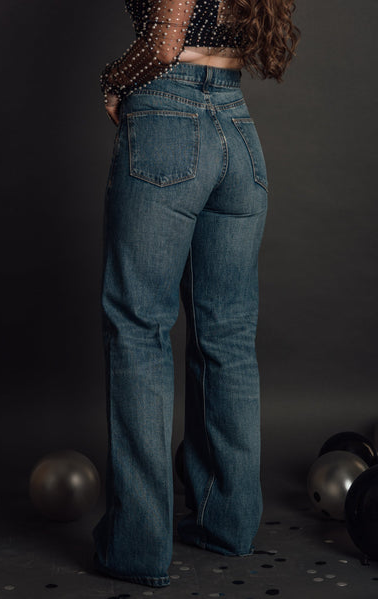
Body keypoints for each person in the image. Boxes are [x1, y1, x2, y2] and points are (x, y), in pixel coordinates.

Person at [92, 0, 301, 589]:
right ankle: (225, 522)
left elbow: (165, 42)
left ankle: (136, 548)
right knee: (226, 337)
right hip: (236, 127)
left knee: (139, 330)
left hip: (169, 118)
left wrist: (113, 80)